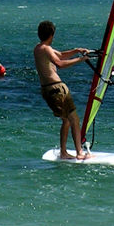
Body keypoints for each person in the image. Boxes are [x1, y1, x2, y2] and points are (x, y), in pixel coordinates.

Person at [33, 20, 91, 160]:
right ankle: (79, 153)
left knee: (66, 119)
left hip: (47, 90)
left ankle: (64, 152)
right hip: (57, 89)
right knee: (74, 119)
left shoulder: (39, 48)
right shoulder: (46, 49)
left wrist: (77, 50)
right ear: (52, 34)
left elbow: (60, 55)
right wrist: (80, 60)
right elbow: (59, 63)